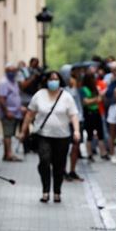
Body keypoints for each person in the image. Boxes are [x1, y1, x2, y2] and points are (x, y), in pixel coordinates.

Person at [19, 71, 80, 203]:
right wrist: (23, 131)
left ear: (60, 81)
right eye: (51, 79)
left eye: (56, 79)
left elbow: (73, 115)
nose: (53, 81)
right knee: (44, 161)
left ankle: (57, 192)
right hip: (43, 135)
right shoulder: (39, 95)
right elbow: (30, 114)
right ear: (46, 80)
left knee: (59, 165)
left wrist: (76, 131)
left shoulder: (66, 96)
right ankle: (45, 191)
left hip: (62, 136)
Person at [0, 63, 23, 162]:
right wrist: (7, 111)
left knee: (10, 134)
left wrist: (20, 108)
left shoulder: (14, 82)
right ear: (6, 71)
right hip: (8, 113)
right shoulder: (4, 82)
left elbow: (15, 96)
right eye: (9, 71)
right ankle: (9, 154)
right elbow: (1, 99)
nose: (12, 73)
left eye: (13, 71)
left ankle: (6, 154)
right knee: (7, 134)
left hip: (15, 113)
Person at [81, 72, 109, 161]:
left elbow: (99, 99)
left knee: (100, 133)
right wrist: (96, 99)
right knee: (89, 134)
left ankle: (103, 153)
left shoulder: (95, 88)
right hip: (89, 113)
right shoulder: (84, 89)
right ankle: (89, 154)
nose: (94, 80)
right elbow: (85, 102)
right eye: (92, 78)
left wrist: (96, 99)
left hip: (96, 112)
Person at [64, 69, 84, 181]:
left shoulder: (79, 90)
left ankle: (72, 170)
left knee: (76, 146)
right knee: (64, 148)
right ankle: (62, 171)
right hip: (66, 122)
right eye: (71, 76)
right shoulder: (64, 90)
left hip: (78, 120)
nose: (73, 79)